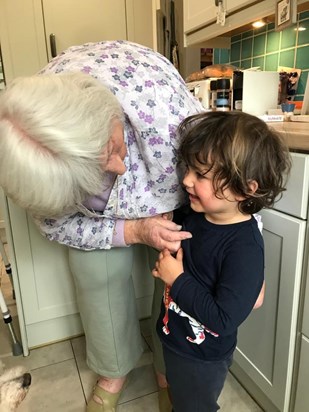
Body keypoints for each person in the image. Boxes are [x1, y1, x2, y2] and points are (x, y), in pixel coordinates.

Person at [0, 40, 203, 412]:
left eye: (111, 147)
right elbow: (57, 225)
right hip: (95, 210)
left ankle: (167, 369)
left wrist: (249, 241)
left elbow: (228, 177)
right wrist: (134, 230)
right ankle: (113, 370)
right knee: (95, 274)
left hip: (170, 189)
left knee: (179, 276)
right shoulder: (25, 157)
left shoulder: (163, 104)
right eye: (97, 169)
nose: (119, 169)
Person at [152, 111, 291, 412]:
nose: (186, 179)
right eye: (189, 168)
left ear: (245, 188)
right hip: (178, 340)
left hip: (202, 357)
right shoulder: (198, 214)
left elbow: (223, 319)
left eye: (200, 175)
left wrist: (176, 279)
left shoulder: (244, 248)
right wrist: (166, 224)